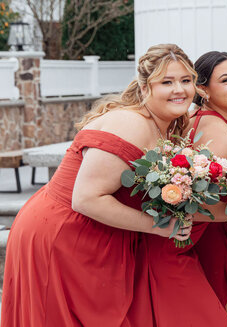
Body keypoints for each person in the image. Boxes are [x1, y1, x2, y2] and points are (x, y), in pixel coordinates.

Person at [0, 43, 193, 326]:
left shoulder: (165, 124)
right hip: (64, 233)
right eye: (167, 82)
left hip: (94, 232)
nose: (179, 89)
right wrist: (159, 226)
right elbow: (86, 199)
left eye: (185, 80)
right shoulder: (132, 123)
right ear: (144, 88)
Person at [127, 50, 227, 327]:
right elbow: (195, 205)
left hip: (179, 238)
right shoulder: (225, 136)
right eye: (225, 80)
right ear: (203, 89)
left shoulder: (192, 118)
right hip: (197, 240)